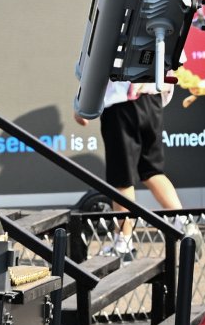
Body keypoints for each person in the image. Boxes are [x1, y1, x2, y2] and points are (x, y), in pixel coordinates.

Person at [74, 79, 187, 261]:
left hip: (122, 103)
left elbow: (98, 60)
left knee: (121, 178)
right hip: (152, 99)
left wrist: (83, 102)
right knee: (151, 170)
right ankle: (185, 226)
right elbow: (176, 58)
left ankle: (123, 244)